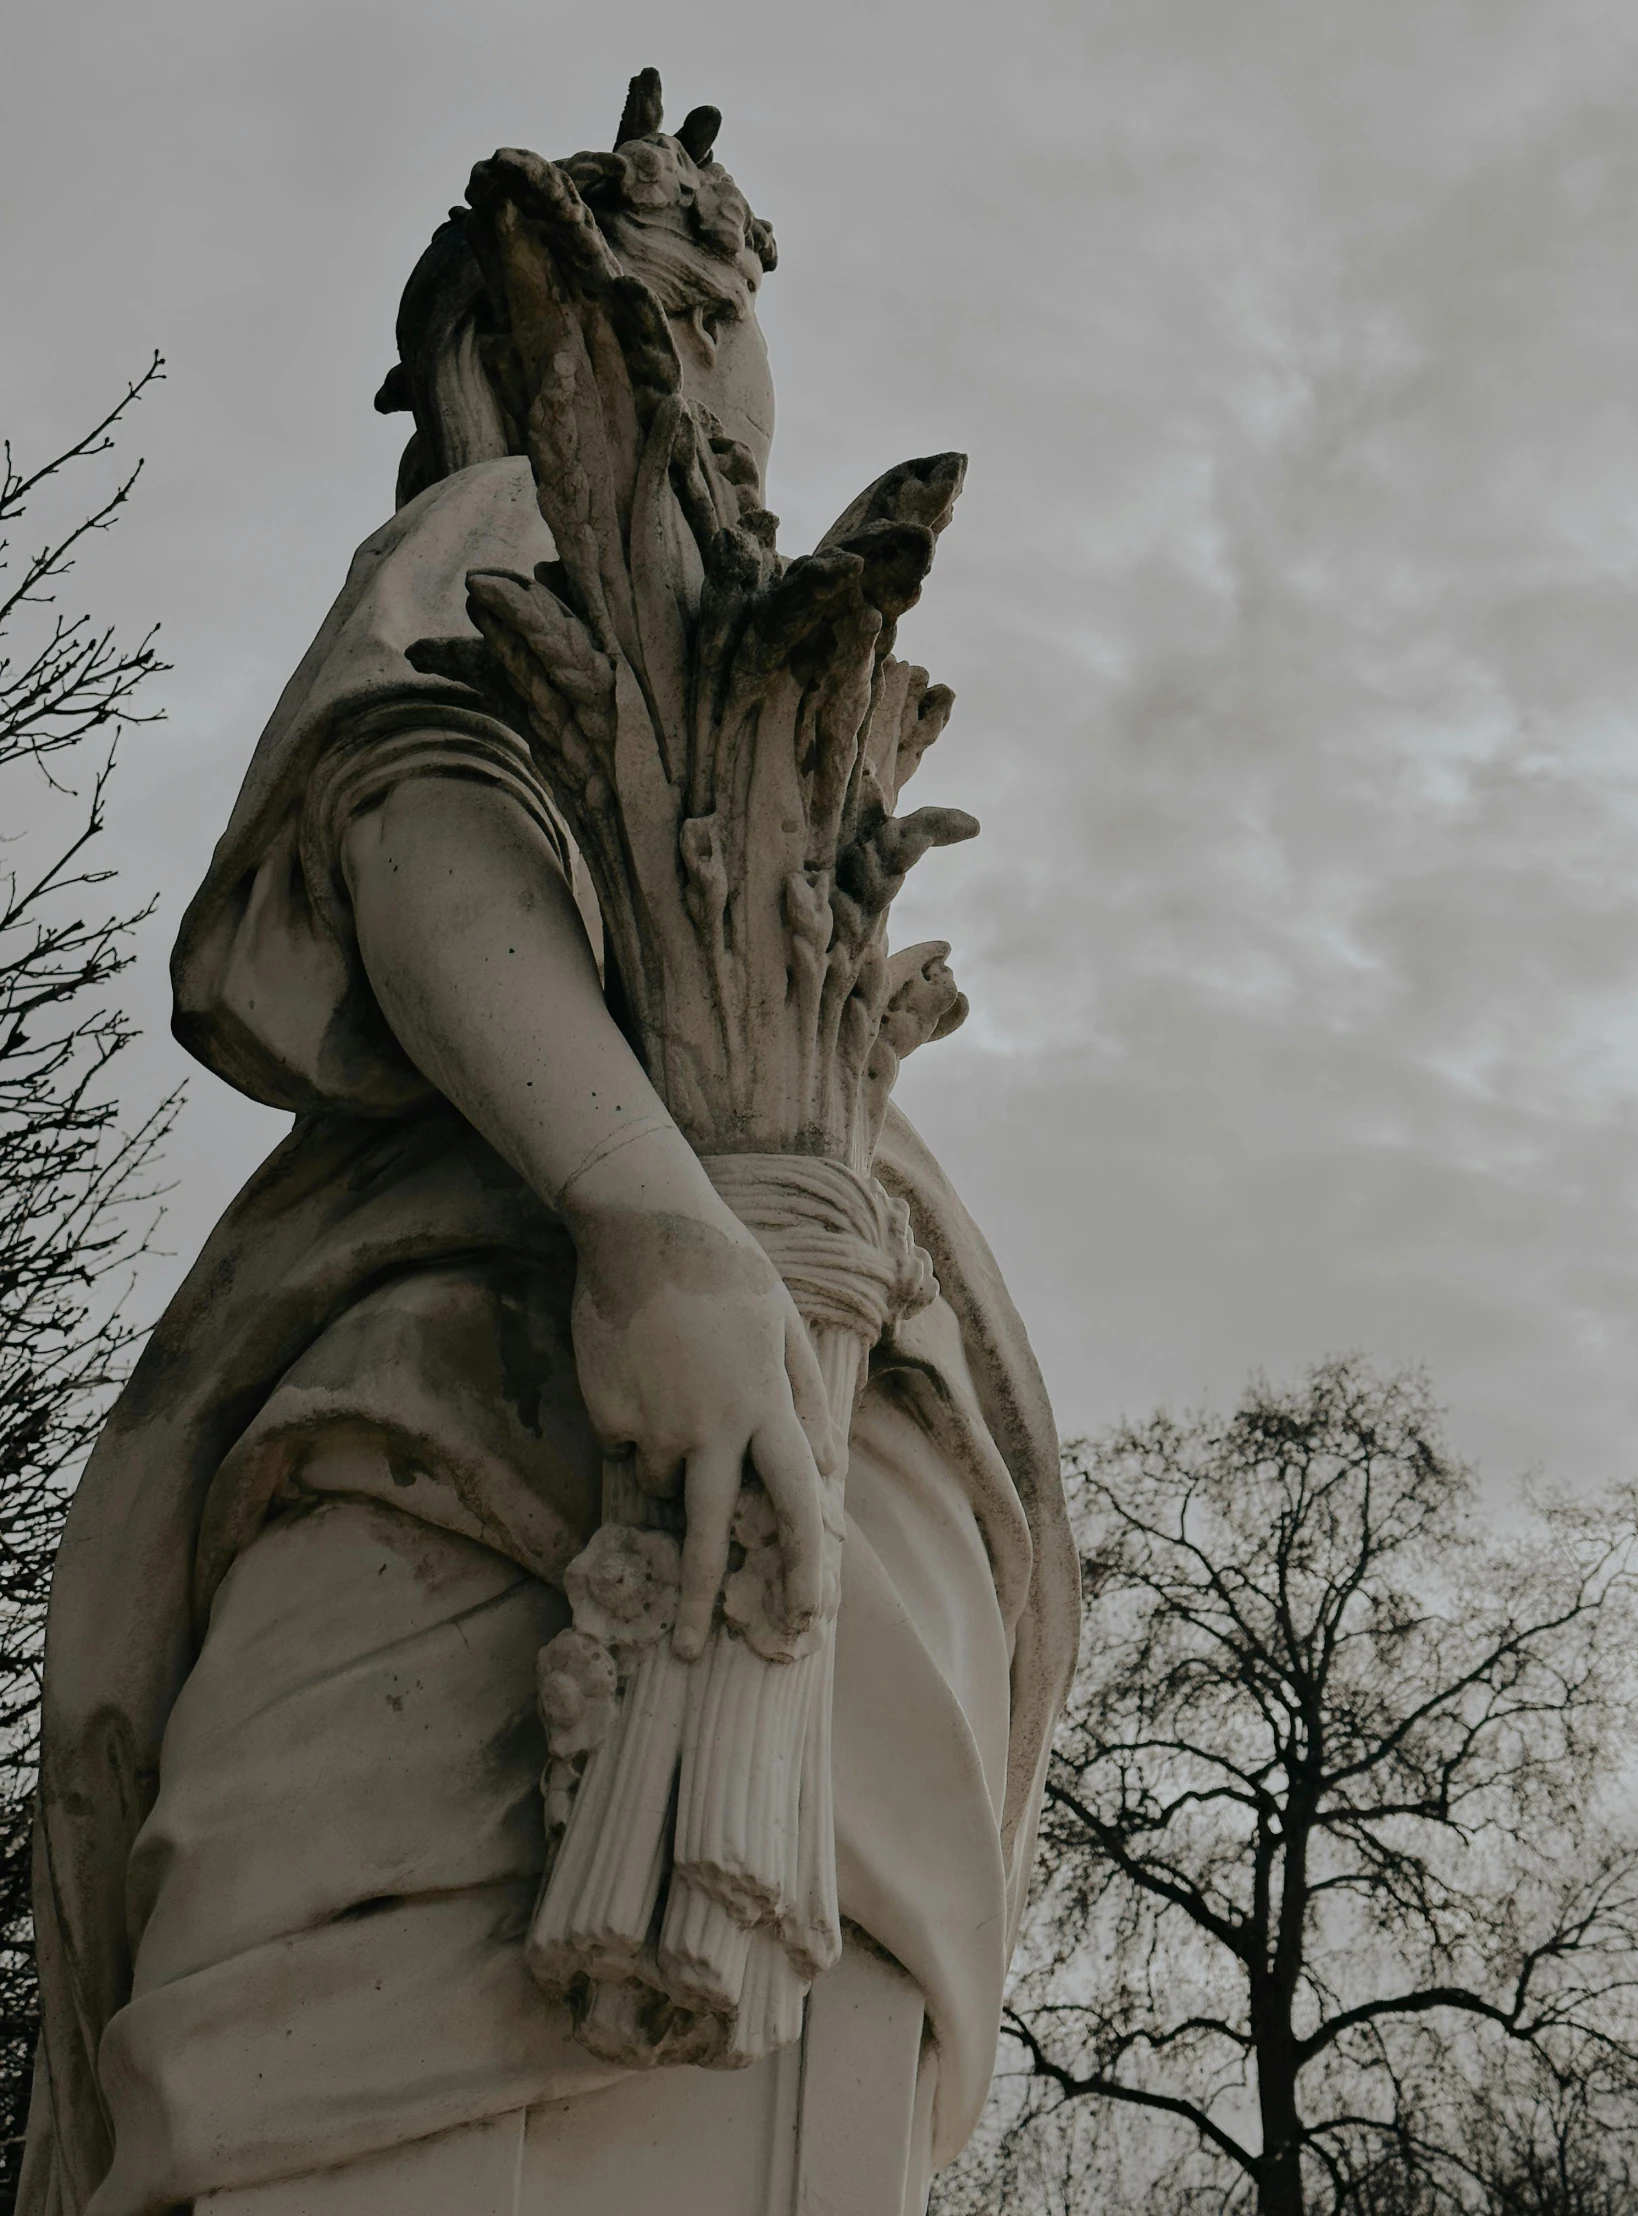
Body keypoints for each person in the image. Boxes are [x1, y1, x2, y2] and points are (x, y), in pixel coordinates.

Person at [21, 75, 1077, 2216]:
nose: (685, 328)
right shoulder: (506, 534)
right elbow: (410, 812)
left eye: (720, 291)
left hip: (821, 1369)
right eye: (626, 278)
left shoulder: (759, 619)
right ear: (472, 359)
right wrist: (649, 1223)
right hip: (549, 1344)